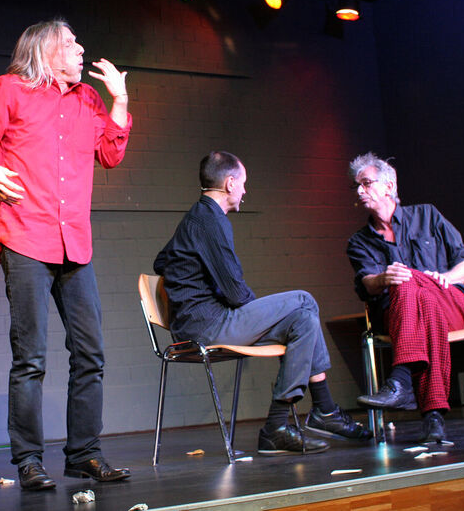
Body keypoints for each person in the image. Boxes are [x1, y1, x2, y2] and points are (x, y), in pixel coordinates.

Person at [0, 19, 132, 490]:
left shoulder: (88, 99)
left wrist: (119, 100)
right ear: (45, 51)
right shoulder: (10, 90)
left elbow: (110, 154)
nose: (80, 49)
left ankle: (84, 455)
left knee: (90, 353)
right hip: (26, 238)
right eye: (70, 43)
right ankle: (29, 460)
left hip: (74, 241)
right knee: (31, 357)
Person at [154, 151, 372, 456]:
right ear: (230, 183)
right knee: (304, 301)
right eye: (243, 183)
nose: (245, 191)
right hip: (206, 327)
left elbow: (161, 261)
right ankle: (324, 411)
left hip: (204, 321)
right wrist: (259, 315)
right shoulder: (210, 222)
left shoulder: (197, 216)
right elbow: (236, 294)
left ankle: (278, 427)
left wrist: (197, 279)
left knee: (303, 320)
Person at [346, 152, 464, 443]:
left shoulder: (428, 215)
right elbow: (367, 284)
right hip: (400, 317)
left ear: (389, 186)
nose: (359, 191)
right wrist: (384, 278)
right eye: (356, 185)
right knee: (416, 295)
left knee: (413, 283)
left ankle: (401, 380)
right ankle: (433, 417)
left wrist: (445, 278)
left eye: (366, 183)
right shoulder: (359, 242)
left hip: (450, 302)